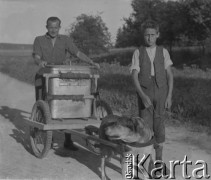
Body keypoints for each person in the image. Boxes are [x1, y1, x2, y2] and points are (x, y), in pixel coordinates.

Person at [33, 16, 99, 151]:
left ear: (59, 28)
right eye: (50, 27)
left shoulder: (65, 40)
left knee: (67, 103)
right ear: (46, 27)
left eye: (56, 27)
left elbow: (77, 53)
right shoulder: (39, 40)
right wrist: (40, 62)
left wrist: (91, 62)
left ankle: (68, 140)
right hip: (44, 75)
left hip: (60, 76)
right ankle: (46, 137)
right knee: (44, 105)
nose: (53, 30)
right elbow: (36, 55)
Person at [130, 20, 173, 176]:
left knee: (159, 126)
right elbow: (134, 76)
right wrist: (142, 95)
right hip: (145, 92)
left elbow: (169, 75)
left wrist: (169, 95)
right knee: (146, 128)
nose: (149, 38)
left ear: (158, 35)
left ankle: (159, 163)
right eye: (147, 35)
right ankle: (145, 164)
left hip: (161, 92)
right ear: (143, 36)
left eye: (152, 35)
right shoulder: (138, 52)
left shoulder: (164, 52)